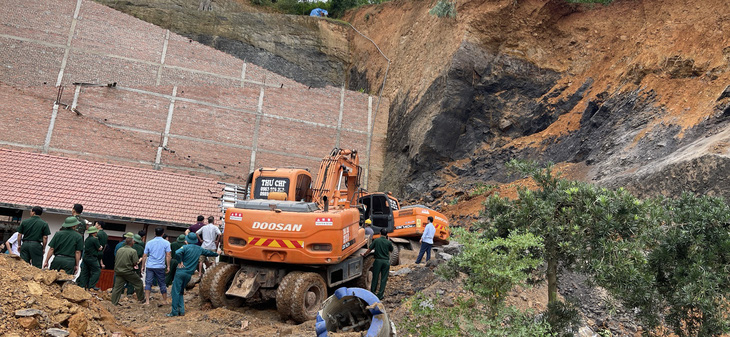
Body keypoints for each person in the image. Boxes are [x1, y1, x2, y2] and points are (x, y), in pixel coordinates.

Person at [168, 233, 218, 317]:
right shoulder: (199, 249)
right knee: (180, 292)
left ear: (187, 240)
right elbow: (209, 253)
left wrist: (180, 262)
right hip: (189, 274)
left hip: (181, 272)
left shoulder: (185, 247)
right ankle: (182, 311)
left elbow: (177, 252)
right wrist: (217, 253)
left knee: (175, 292)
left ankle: (174, 312)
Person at [111, 233, 144, 305]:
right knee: (139, 283)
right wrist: (139, 260)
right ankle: (141, 299)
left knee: (117, 288)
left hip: (119, 271)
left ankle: (114, 303)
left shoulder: (119, 250)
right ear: (132, 243)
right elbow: (135, 262)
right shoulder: (133, 251)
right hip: (128, 271)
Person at [141, 227, 171, 305]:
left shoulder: (149, 242)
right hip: (160, 266)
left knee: (148, 283)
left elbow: (144, 255)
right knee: (162, 283)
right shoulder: (166, 243)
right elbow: (168, 255)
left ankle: (147, 301)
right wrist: (168, 266)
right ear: (163, 234)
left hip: (150, 266)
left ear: (154, 233)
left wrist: (142, 266)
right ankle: (164, 300)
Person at [361, 228, 393, 299]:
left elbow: (369, 249)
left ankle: (373, 293)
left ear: (380, 233)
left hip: (378, 261)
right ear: (387, 234)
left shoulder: (376, 240)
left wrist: (364, 254)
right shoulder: (388, 242)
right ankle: (380, 295)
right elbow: (391, 250)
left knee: (375, 277)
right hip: (386, 262)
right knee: (383, 279)